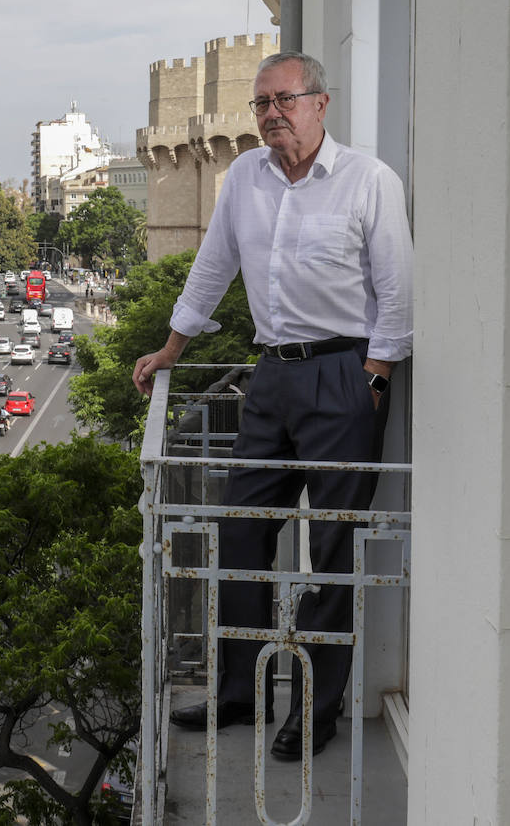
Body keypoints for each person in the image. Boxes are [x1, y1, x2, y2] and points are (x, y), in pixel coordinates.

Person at [131, 51, 412, 761]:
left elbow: (398, 291)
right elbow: (212, 269)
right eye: (260, 103)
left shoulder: (367, 181)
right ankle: (240, 694)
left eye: (284, 100)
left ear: (321, 103)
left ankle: (312, 712)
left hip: (344, 375)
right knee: (242, 532)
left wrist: (374, 377)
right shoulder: (244, 181)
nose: (270, 114)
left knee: (333, 547)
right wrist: (171, 349)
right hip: (272, 378)